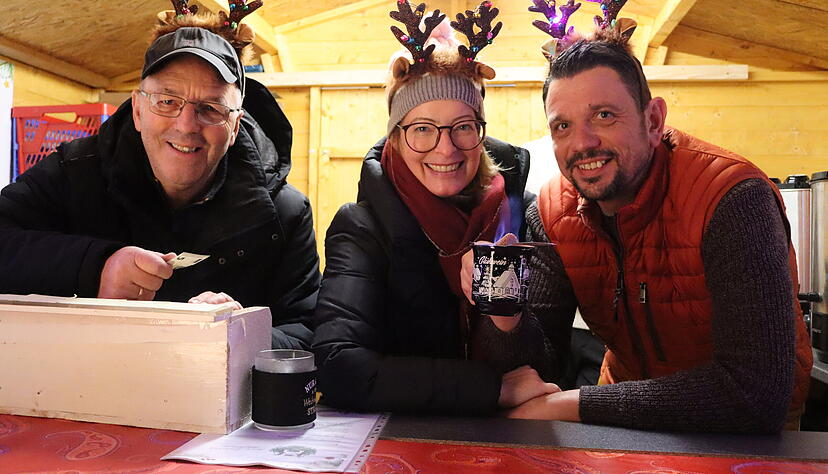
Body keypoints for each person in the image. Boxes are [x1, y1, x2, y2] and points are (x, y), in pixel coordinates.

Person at [462, 1, 813, 433]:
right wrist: (506, 316)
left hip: (745, 433)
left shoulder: (732, 198)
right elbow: (536, 369)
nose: (582, 144)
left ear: (653, 120)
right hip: (625, 415)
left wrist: (573, 405)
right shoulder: (552, 212)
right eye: (562, 126)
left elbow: (755, 394)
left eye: (604, 115)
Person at [0, 3, 320, 349]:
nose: (186, 126)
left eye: (211, 108)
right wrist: (96, 266)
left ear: (235, 125)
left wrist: (245, 333)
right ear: (138, 110)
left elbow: (308, 332)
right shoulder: (75, 171)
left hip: (217, 400)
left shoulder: (285, 212)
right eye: (167, 101)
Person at [312, 1, 563, 415]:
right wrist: (490, 389)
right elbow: (338, 367)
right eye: (423, 129)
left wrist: (507, 318)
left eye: (463, 127)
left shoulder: (522, 217)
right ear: (395, 137)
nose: (445, 148)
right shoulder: (363, 228)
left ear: (481, 134)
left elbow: (550, 370)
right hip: (402, 440)